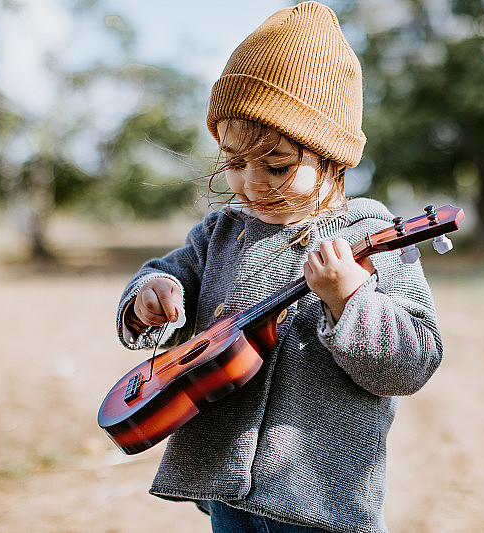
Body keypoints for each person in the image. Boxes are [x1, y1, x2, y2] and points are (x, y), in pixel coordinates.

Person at [115, 2, 442, 532]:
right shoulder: (222, 231)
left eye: (276, 166)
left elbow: (415, 362)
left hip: (323, 501)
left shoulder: (373, 234)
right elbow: (165, 274)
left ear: (330, 154)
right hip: (227, 493)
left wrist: (350, 299)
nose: (251, 184)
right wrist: (150, 295)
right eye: (235, 163)